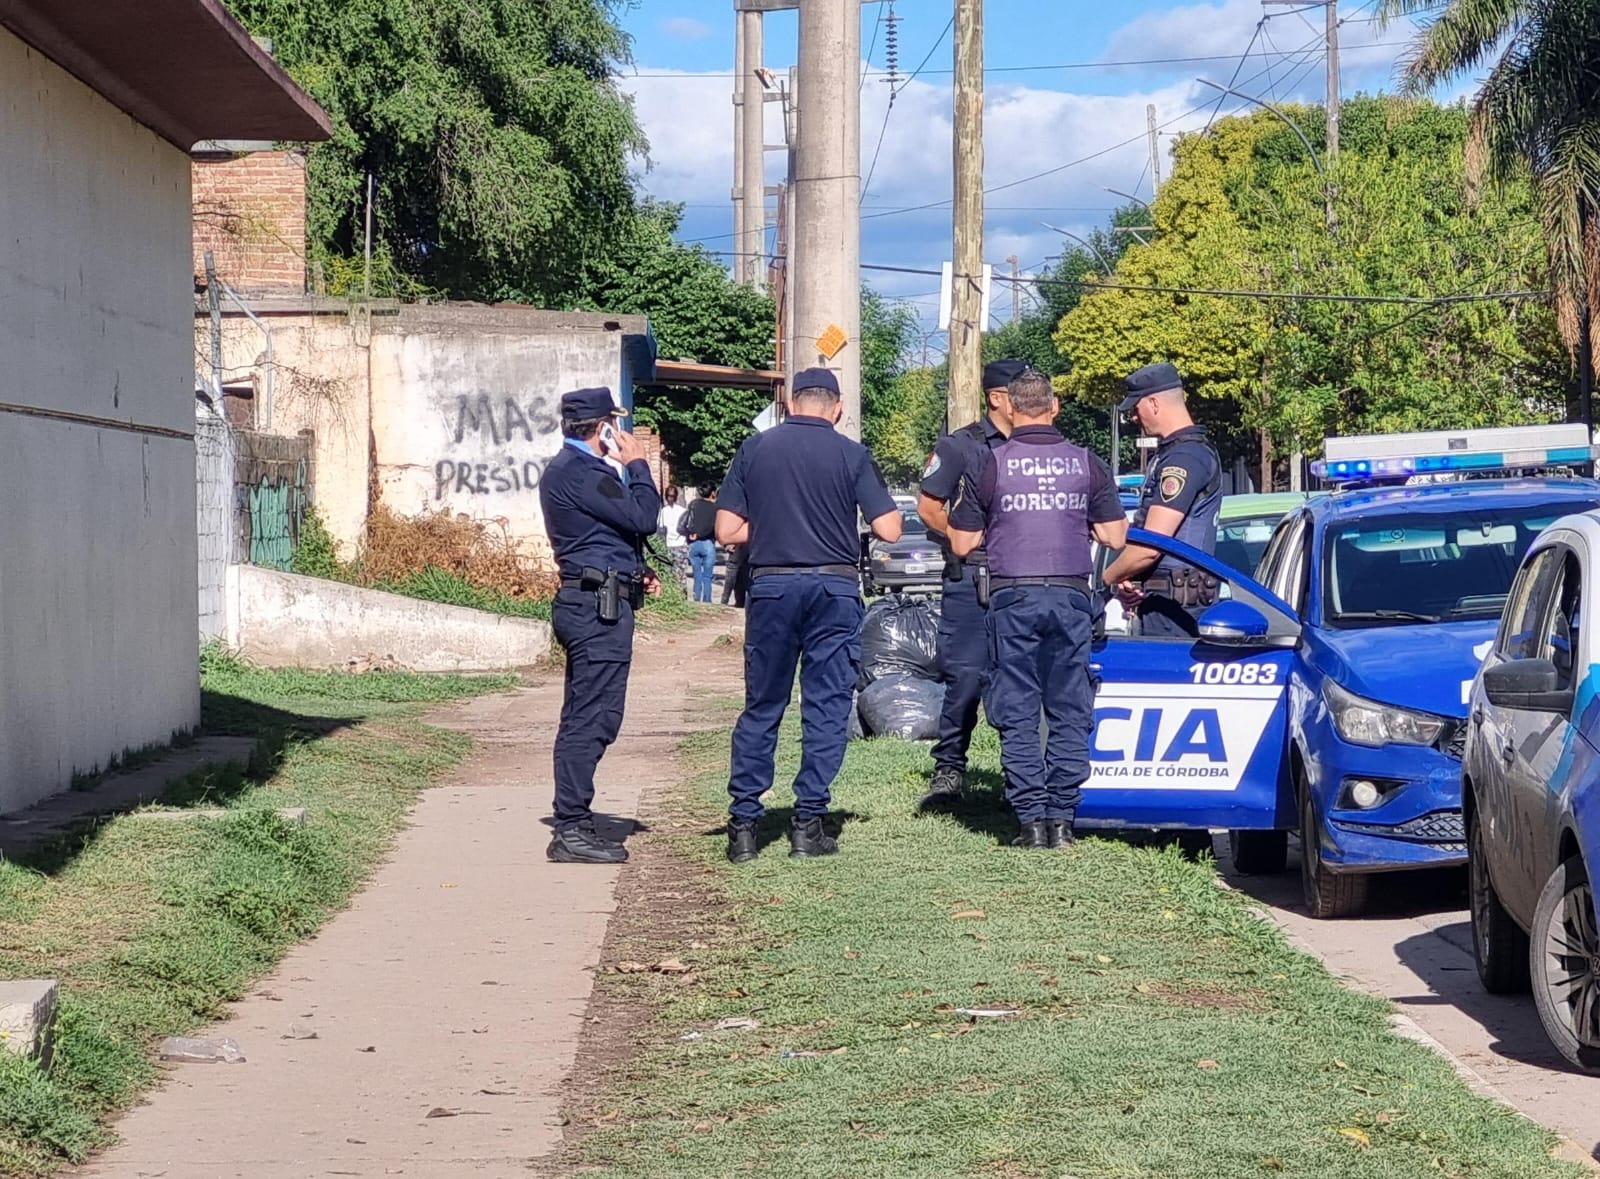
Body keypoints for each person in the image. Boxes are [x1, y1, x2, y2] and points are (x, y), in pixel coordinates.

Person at [716, 368, 901, 863]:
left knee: (764, 704)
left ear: (791, 402)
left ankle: (745, 827)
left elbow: (728, 530)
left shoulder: (755, 449)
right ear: (836, 407)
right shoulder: (852, 453)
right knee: (825, 704)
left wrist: (775, 527)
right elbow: (889, 528)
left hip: (772, 585)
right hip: (834, 589)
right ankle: (808, 824)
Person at [947, 368, 1127, 848]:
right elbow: (1114, 536)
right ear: (1055, 405)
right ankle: (1062, 821)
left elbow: (962, 543)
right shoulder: (1086, 463)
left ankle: (1029, 820)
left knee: (1018, 705)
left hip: (1012, 597)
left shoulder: (992, 462)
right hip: (1070, 596)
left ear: (1011, 407)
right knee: (1070, 703)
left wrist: (1005, 525)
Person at [539, 387, 662, 864]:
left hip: (593, 599)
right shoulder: (583, 472)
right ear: (605, 427)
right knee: (593, 719)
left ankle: (574, 819)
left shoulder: (573, 472)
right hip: (594, 610)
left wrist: (634, 572)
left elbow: (603, 534)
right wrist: (638, 465)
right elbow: (643, 517)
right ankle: (570, 827)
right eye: (616, 423)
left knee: (587, 715)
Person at [914, 358, 1026, 810]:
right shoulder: (961, 446)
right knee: (965, 679)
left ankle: (1020, 774)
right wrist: (966, 540)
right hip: (973, 578)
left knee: (1022, 677)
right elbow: (928, 506)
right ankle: (950, 768)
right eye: (1021, 392)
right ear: (998, 398)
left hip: (1021, 577)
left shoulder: (1039, 446)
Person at [1100, 363, 1223, 637]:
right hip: (1166, 603)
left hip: (1175, 614)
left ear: (1154, 403)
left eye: (1136, 407)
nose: (1133, 417)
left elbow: (1151, 547)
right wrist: (1132, 577)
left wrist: (1105, 579)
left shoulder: (1184, 459)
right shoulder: (1181, 453)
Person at [681, 485, 719, 603]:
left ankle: (697, 598)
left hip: (693, 543)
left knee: (697, 574)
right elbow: (712, 526)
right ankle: (707, 600)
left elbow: (688, 521)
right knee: (707, 577)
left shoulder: (693, 504)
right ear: (712, 493)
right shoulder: (715, 508)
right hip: (708, 542)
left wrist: (692, 534)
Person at [660, 485, 689, 585]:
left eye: (671, 496)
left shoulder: (663, 512)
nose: (670, 498)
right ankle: (680, 594)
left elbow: (660, 528)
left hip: (672, 544)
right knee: (680, 574)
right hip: (677, 544)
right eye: (669, 496)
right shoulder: (682, 511)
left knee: (671, 574)